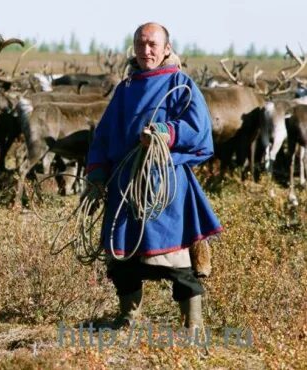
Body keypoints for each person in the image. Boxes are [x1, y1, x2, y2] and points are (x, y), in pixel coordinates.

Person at [83, 22, 222, 332]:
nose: (146, 50)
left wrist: (164, 132)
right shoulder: (125, 90)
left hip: (166, 186)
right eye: (141, 44)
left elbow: (198, 130)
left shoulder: (181, 84)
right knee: (123, 259)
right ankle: (128, 317)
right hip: (124, 185)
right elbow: (103, 137)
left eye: (153, 44)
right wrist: (96, 174)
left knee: (176, 261)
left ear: (167, 49)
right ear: (134, 47)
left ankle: (193, 325)